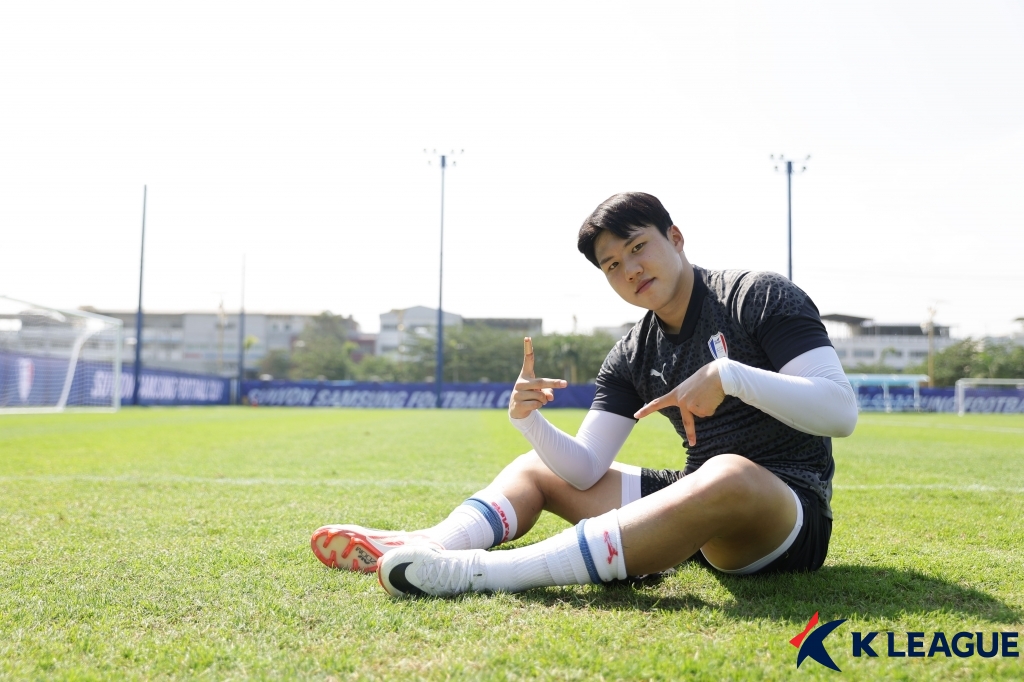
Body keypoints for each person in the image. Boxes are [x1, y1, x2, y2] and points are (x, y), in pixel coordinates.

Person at [310, 192, 858, 597]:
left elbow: (840, 411)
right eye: (613, 265)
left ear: (676, 238)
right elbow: (583, 469)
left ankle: (482, 574)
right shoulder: (632, 352)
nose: (630, 270)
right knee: (536, 469)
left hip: (785, 516)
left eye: (638, 247)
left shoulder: (755, 296)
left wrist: (730, 376)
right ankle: (430, 544)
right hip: (697, 505)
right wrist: (529, 421)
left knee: (729, 471)